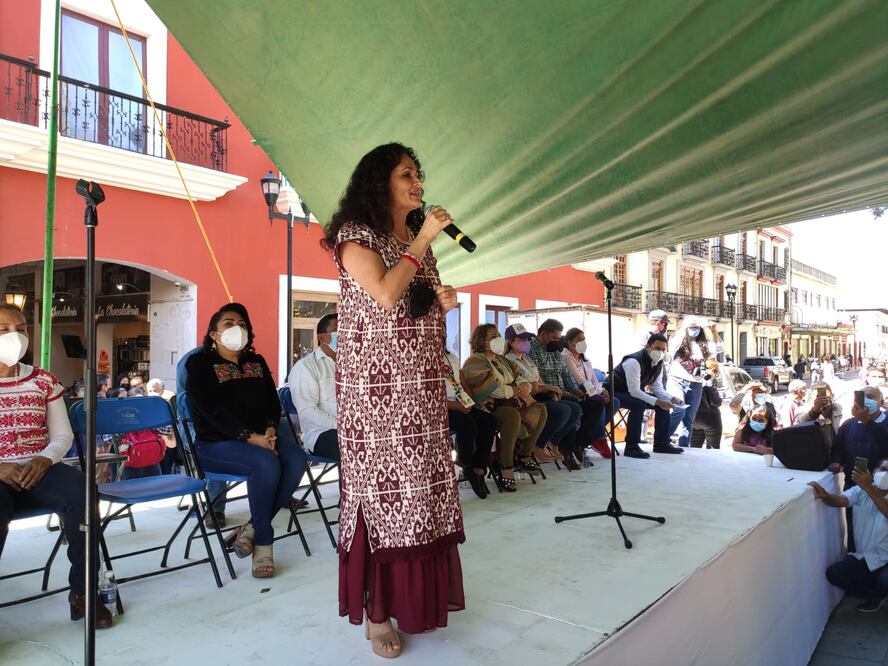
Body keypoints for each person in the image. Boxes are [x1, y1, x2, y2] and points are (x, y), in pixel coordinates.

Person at [324, 142, 465, 656]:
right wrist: (424, 238)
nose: (419, 183)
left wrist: (442, 304)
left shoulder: (415, 240)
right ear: (379, 181)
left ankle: (413, 602)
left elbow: (412, 305)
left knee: (420, 493)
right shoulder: (354, 237)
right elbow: (383, 294)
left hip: (421, 388)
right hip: (375, 395)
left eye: (419, 174)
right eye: (408, 174)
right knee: (387, 495)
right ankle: (376, 613)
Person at [0, 303, 113, 628]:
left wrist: (45, 458)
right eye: (3, 330)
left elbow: (62, 434)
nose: (15, 336)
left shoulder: (43, 380)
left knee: (83, 492)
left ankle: (83, 592)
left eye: (20, 328)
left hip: (42, 468)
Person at [186, 303, 308, 579]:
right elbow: (211, 410)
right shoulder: (200, 364)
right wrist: (250, 438)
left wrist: (268, 431)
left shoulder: (257, 363)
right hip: (216, 444)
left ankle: (250, 528)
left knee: (297, 459)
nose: (236, 328)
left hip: (261, 440)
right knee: (266, 463)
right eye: (228, 323)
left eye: (241, 323)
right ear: (214, 334)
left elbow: (271, 403)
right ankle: (264, 540)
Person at [463, 324, 547, 490]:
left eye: (498, 335)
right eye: (492, 336)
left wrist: (524, 388)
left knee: (541, 409)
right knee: (511, 415)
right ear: (481, 340)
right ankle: (505, 466)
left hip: (511, 401)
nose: (497, 339)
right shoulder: (475, 361)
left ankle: (523, 455)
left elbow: (521, 378)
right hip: (487, 407)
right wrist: (516, 390)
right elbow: (491, 390)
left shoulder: (502, 360)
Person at [809, 459, 888, 612]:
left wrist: (869, 488)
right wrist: (826, 496)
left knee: (886, 581)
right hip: (867, 556)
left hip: (887, 559)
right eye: (883, 468)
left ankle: (881, 587)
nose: (886, 474)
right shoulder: (860, 491)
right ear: (874, 472)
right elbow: (841, 500)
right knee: (835, 574)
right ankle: (875, 595)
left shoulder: (867, 489)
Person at [504, 323, 580, 465]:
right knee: (562, 410)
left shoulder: (527, 359)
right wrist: (547, 388)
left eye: (527, 339)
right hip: (525, 399)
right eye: (521, 339)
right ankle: (538, 445)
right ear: (511, 342)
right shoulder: (508, 360)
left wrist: (552, 389)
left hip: (539, 394)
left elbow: (539, 380)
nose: (526, 343)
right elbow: (526, 386)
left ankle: (553, 443)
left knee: (575, 408)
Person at [828, 387, 888, 551]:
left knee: (881, 532)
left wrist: (867, 422)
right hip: (854, 486)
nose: (865, 400)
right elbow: (838, 447)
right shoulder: (849, 424)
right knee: (855, 529)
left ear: (880, 402)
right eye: (861, 397)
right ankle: (854, 561)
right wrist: (836, 461)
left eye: (870, 397)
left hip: (883, 490)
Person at [610, 333, 684, 458]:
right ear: (648, 347)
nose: (660, 352)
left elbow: (657, 388)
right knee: (638, 404)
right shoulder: (634, 361)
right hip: (615, 392)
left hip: (632, 392)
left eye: (663, 349)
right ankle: (631, 447)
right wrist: (658, 401)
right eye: (657, 348)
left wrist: (671, 398)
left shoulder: (659, 363)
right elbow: (634, 391)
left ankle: (661, 443)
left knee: (663, 405)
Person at [177, 343, 228, 527]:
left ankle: (280, 493)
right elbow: (193, 403)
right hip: (194, 422)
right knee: (218, 445)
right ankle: (215, 508)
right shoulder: (197, 360)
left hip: (226, 421)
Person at [528, 318, 588, 469]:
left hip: (558, 393)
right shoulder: (533, 349)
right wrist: (556, 390)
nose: (557, 340)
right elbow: (536, 377)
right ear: (543, 334)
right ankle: (539, 444)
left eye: (558, 338)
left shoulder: (555, 349)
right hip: (540, 394)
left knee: (577, 408)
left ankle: (556, 443)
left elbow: (565, 373)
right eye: (554, 337)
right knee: (565, 409)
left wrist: (575, 389)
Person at [443, 338, 494, 499]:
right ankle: (466, 464)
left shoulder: (452, 358)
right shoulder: (424, 358)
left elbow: (459, 384)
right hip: (440, 409)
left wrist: (468, 402)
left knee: (488, 420)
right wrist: (455, 406)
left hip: (459, 402)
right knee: (468, 424)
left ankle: (478, 468)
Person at [288, 313, 340, 462]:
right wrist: (343, 426)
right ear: (322, 337)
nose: (345, 332)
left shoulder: (355, 364)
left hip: (356, 429)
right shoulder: (306, 367)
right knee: (355, 448)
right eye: (338, 328)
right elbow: (307, 412)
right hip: (321, 433)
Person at [667, 317, 722, 447]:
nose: (694, 330)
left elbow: (719, 347)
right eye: (692, 327)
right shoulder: (678, 342)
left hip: (696, 384)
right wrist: (684, 326)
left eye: (696, 327)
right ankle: (663, 436)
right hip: (676, 381)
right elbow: (672, 344)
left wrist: (713, 330)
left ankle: (683, 446)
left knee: (689, 419)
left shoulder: (703, 345)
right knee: (678, 409)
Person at [562, 327, 611, 458]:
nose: (583, 342)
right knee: (598, 403)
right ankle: (593, 438)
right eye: (579, 340)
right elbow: (580, 380)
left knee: (613, 402)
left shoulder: (585, 360)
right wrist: (598, 393)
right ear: (569, 342)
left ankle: (594, 435)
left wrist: (603, 391)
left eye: (584, 339)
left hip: (591, 391)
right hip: (577, 393)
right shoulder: (566, 357)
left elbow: (594, 380)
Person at [690, 359, 723, 449]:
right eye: (715, 370)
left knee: (694, 449)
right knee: (713, 449)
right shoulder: (709, 381)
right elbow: (716, 402)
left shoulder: (692, 378)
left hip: (694, 416)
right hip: (710, 417)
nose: (716, 373)